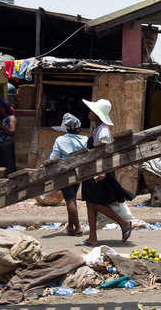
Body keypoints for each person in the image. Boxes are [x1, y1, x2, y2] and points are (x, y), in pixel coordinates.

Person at [77, 98, 133, 247]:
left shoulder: (103, 131)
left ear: (96, 114)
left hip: (100, 172)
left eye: (91, 110)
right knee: (90, 203)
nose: (89, 113)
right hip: (92, 171)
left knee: (96, 203)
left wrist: (101, 173)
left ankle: (124, 223)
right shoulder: (97, 128)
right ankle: (92, 237)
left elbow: (104, 153)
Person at [49, 113, 87, 236]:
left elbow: (54, 157)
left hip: (64, 174)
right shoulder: (84, 140)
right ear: (78, 128)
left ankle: (78, 227)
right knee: (73, 199)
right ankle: (71, 226)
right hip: (78, 173)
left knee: (69, 200)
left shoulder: (60, 140)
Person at [0, 99, 17, 175]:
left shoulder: (11, 118)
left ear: (3, 108)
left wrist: (0, 126)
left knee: (9, 169)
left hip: (7, 147)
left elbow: (12, 132)